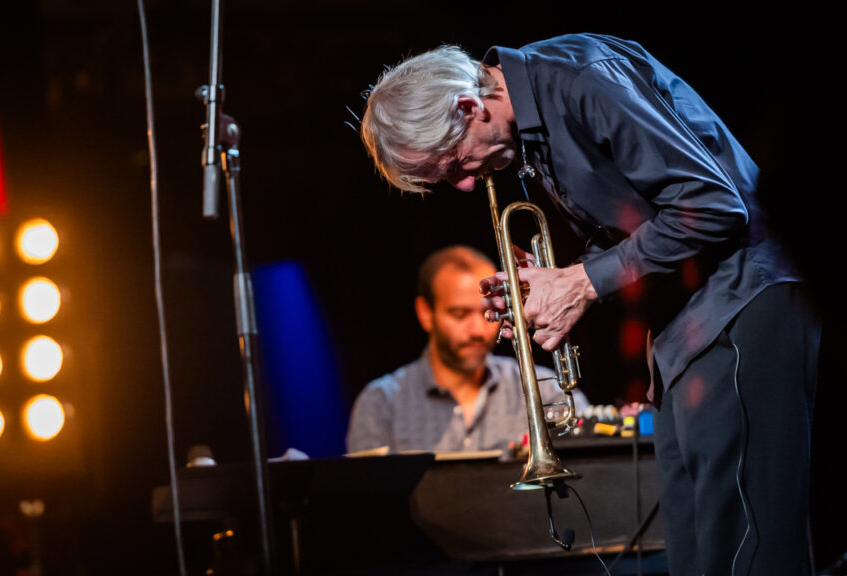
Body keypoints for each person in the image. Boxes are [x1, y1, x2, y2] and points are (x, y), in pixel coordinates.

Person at [358, 34, 820, 576]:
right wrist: (554, 281)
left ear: (468, 106)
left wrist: (580, 281)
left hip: (740, 307)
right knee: (695, 553)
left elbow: (714, 206)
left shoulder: (581, 81)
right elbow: (648, 227)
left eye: (454, 163)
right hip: (685, 331)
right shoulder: (532, 125)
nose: (464, 184)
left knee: (747, 551)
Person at [346, 244, 588, 458]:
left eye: (486, 312)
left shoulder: (545, 389)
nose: (478, 330)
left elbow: (595, 455)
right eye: (460, 314)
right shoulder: (380, 404)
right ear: (425, 313)